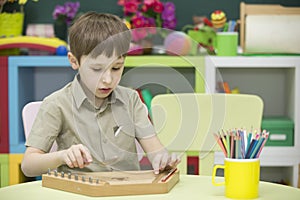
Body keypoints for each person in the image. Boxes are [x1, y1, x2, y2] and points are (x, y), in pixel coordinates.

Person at [21, 12, 180, 177]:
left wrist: (163, 160)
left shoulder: (131, 100)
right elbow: (28, 166)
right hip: (80, 193)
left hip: (126, 193)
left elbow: (156, 151)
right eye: (97, 69)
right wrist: (62, 156)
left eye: (116, 68)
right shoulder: (57, 104)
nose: (108, 79)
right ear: (74, 61)